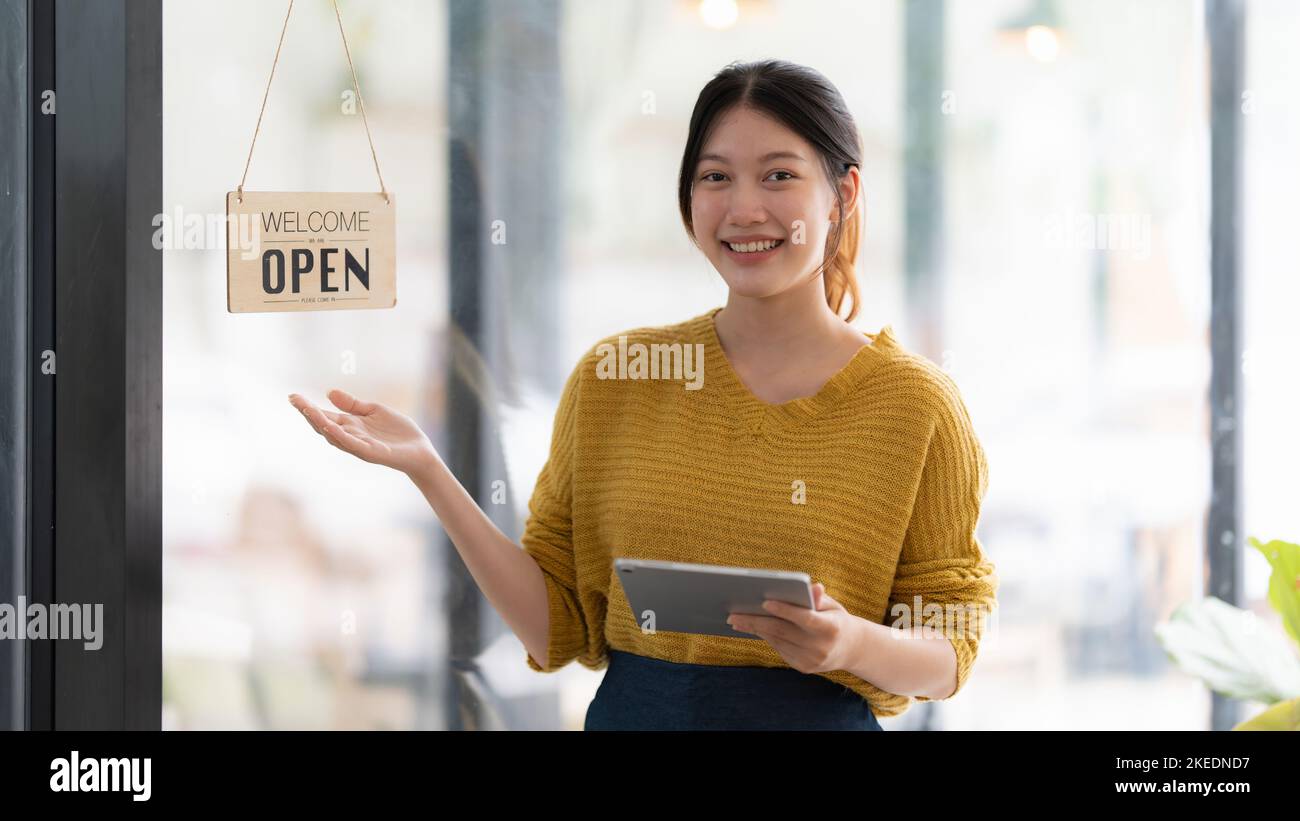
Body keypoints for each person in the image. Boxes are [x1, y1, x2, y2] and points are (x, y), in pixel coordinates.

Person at [290, 59, 997, 731]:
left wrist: (847, 644)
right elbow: (553, 622)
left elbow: (948, 650)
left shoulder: (916, 405)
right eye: (716, 176)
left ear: (842, 195)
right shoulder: (617, 377)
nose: (745, 207)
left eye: (778, 175)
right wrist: (427, 468)